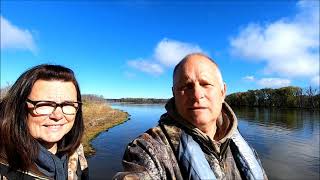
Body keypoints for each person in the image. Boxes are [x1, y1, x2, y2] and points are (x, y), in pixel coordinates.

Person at [114, 53, 268, 180]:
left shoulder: (241, 145)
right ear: (174, 94)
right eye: (186, 86)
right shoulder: (149, 149)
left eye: (206, 84)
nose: (196, 95)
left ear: (223, 92)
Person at [0, 64, 88, 180]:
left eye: (68, 104)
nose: (57, 116)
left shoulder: (76, 153)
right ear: (18, 108)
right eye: (44, 104)